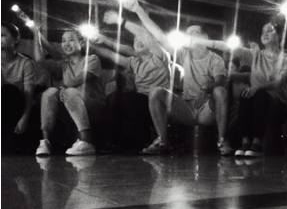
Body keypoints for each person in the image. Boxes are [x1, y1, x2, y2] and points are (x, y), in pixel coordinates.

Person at [121, 0, 232, 155]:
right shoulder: (183, 54)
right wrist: (138, 9)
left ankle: (222, 140)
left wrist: (208, 88)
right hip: (186, 108)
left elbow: (220, 80)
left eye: (195, 33)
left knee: (220, 91)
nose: (191, 36)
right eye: (188, 33)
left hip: (206, 109)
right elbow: (159, 35)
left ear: (205, 38)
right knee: (156, 91)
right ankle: (162, 141)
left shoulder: (215, 59)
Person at [198, 21, 287, 157]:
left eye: (270, 31)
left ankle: (257, 142)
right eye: (263, 31)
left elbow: (279, 83)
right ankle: (245, 142)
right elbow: (226, 46)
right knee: (246, 95)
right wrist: (199, 41)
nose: (265, 34)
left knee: (259, 94)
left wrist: (258, 87)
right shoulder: (255, 54)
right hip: (255, 100)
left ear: (280, 35)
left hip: (277, 104)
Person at [93, 11, 170, 151]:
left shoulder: (160, 56)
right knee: (113, 98)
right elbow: (111, 55)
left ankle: (138, 142)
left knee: (128, 99)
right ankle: (111, 143)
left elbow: (144, 34)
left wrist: (119, 20)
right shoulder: (134, 61)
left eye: (142, 39)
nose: (138, 41)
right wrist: (92, 46)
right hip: (140, 101)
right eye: (135, 39)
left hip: (158, 102)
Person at [35, 28, 106, 156]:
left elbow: (78, 80)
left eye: (71, 40)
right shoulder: (63, 64)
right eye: (64, 41)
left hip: (92, 105)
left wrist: (63, 88)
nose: (67, 43)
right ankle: (45, 141)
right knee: (49, 92)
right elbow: (39, 60)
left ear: (81, 43)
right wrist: (36, 34)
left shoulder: (92, 59)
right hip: (71, 104)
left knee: (70, 92)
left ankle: (86, 141)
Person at [2, 22, 38, 153]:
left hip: (16, 107)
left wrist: (25, 117)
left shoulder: (25, 63)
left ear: (16, 39)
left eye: (2, 35)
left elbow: (29, 94)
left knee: (9, 91)